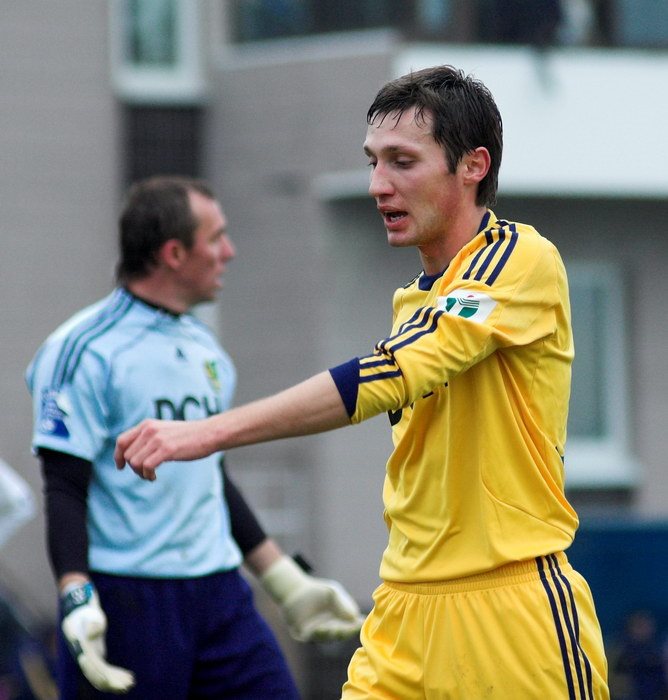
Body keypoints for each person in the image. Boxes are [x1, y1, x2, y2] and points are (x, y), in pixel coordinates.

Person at [115, 65, 611, 698]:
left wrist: (207, 433)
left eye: (402, 162)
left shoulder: (520, 261)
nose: (378, 184)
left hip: (510, 613)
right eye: (373, 162)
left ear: (473, 165)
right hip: (404, 609)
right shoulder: (415, 299)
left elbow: (387, 374)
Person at [25, 176, 363, 699]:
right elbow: (65, 486)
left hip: (221, 594)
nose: (229, 252)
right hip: (129, 602)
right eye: (216, 238)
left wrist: (282, 579)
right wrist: (76, 594)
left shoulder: (207, 350)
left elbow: (212, 476)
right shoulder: (82, 349)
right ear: (174, 254)